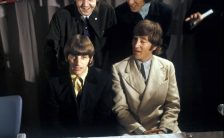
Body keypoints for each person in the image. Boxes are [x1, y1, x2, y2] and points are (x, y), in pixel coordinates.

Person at [112, 19, 180, 135]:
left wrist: (163, 130)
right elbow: (120, 109)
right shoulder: (118, 68)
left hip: (164, 128)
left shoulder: (168, 66)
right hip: (133, 130)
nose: (136, 44)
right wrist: (142, 132)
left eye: (142, 41)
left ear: (154, 46)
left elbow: (172, 105)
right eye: (135, 39)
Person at [44, 34, 117, 137]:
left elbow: (104, 117)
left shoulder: (104, 79)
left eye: (84, 57)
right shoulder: (53, 82)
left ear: (90, 59)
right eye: (73, 56)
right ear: (66, 57)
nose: (78, 63)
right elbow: (52, 120)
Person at [45, 0, 116, 76]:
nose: (85, 4)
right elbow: (50, 52)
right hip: (70, 76)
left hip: (102, 76)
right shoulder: (61, 16)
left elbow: (115, 48)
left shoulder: (107, 12)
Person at [109, 0, 172, 65]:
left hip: (156, 63)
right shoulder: (118, 12)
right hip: (128, 64)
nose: (130, 2)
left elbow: (164, 42)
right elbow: (116, 47)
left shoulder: (165, 11)